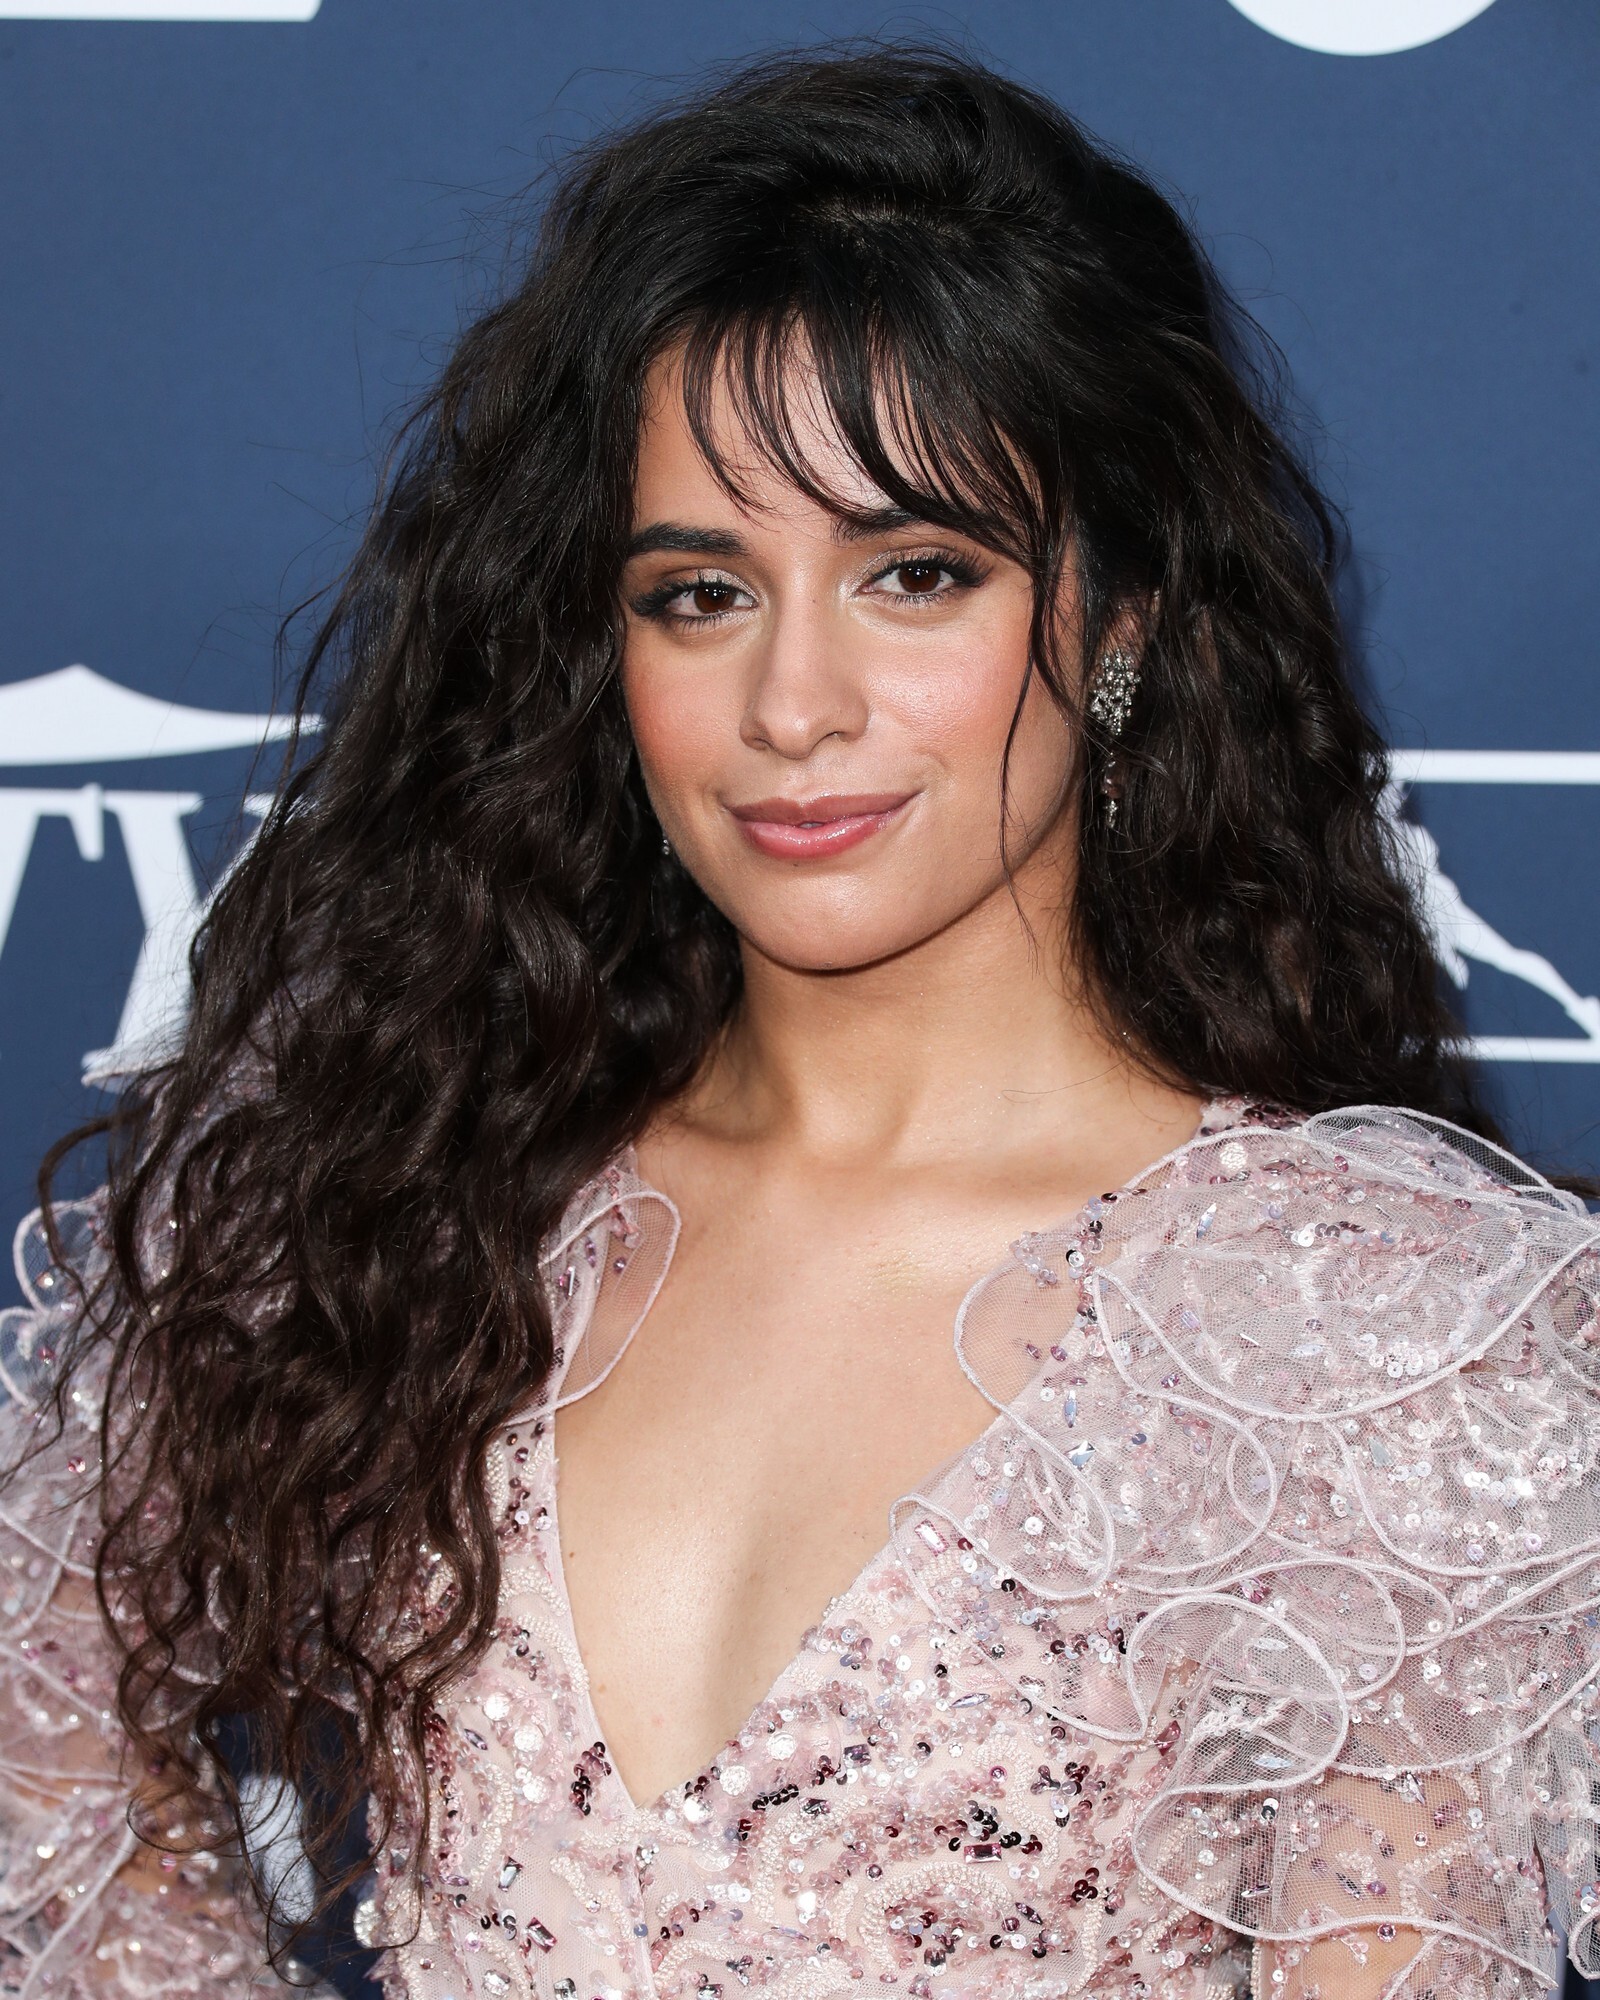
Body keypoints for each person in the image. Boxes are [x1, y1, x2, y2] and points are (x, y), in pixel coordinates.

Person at [3, 43, 1597, 2000]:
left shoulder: (1383, 1335)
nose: (790, 704)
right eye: (699, 593)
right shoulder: (410, 1187)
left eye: (914, 573)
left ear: (1119, 621)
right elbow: (43, 1727)